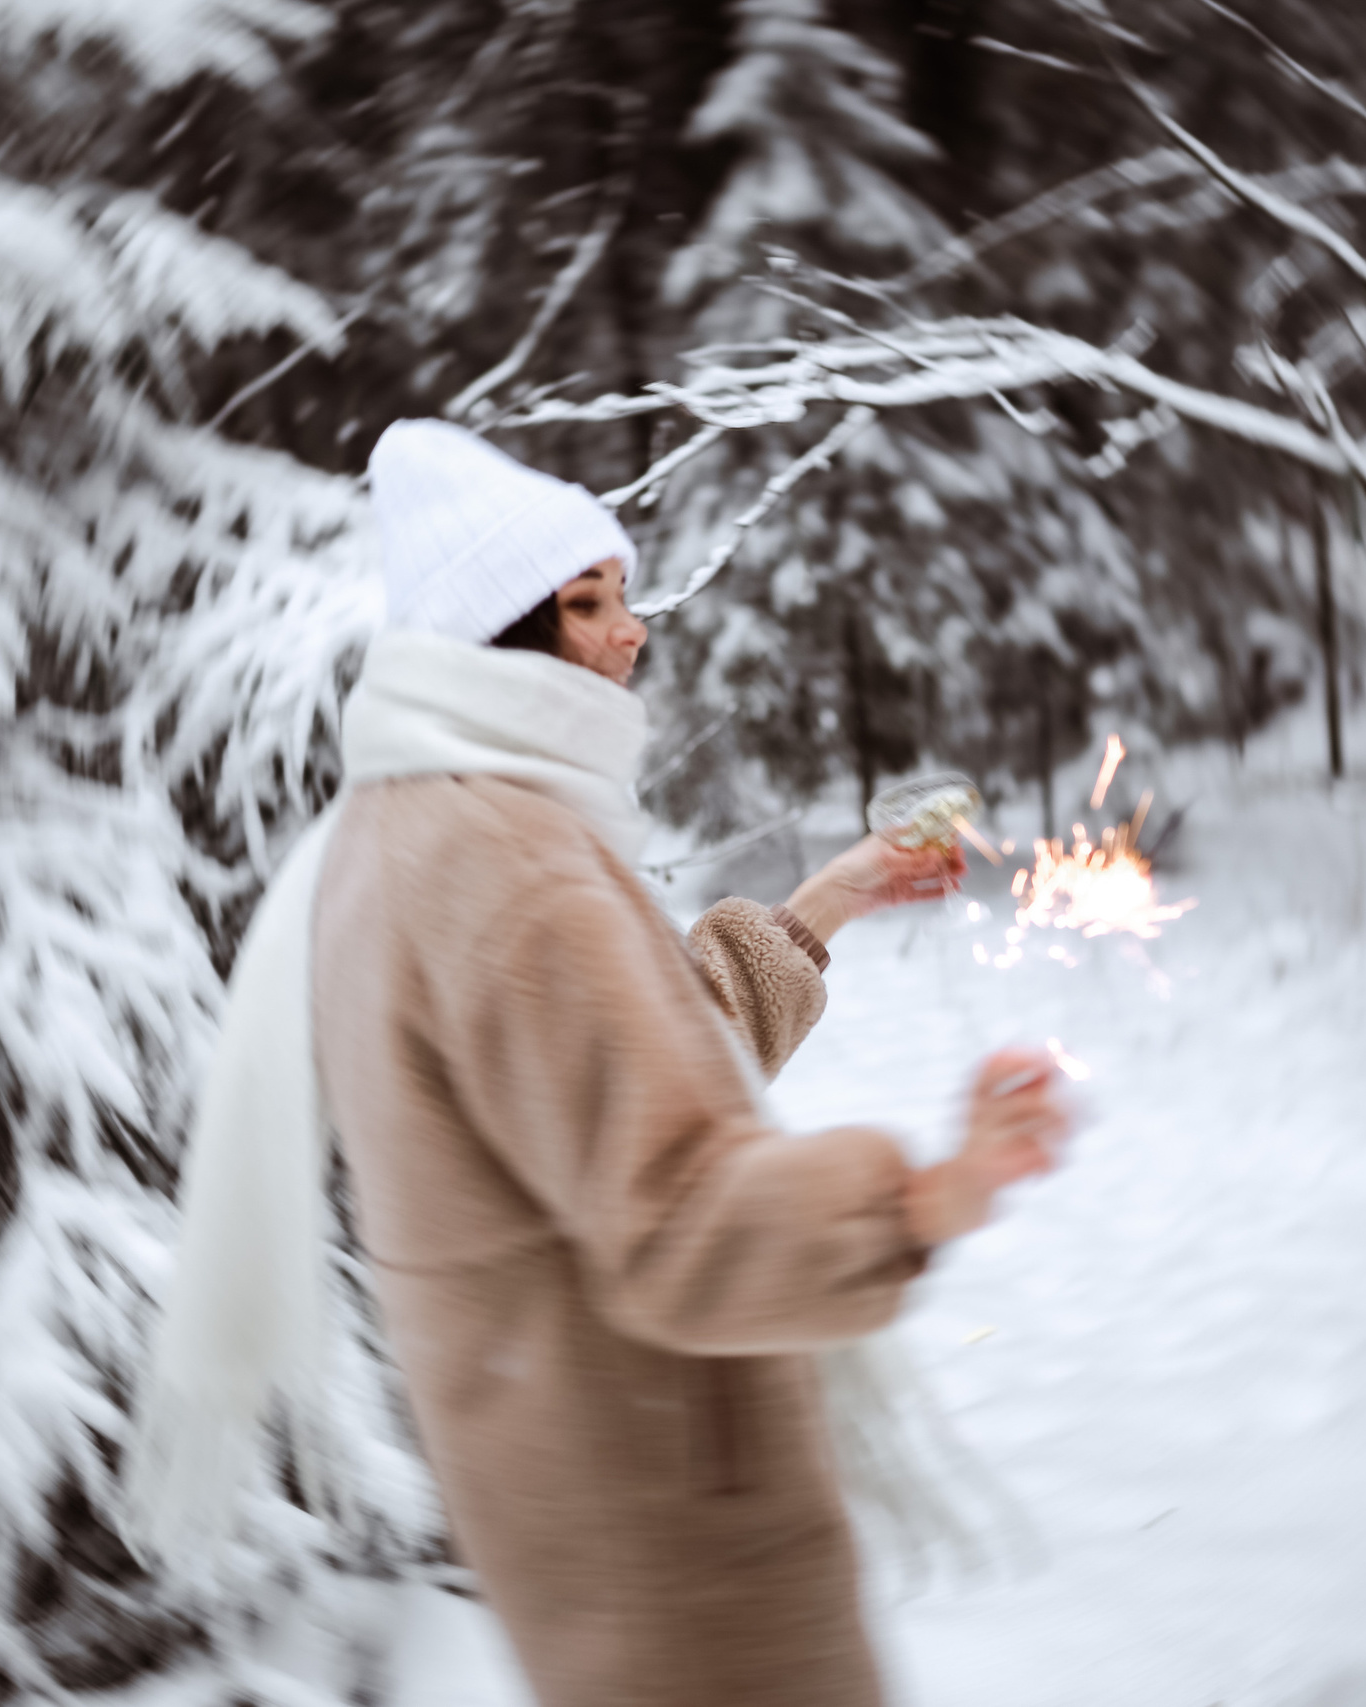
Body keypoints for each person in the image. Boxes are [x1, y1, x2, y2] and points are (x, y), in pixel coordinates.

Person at [124, 420, 1072, 1707]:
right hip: (685, 1553)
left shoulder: (405, 832)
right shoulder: (505, 863)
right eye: (588, 603)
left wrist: (830, 899)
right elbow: (678, 1208)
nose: (631, 631)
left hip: (584, 1526)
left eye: (620, 594)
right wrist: (923, 1197)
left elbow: (633, 1063)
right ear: (497, 638)